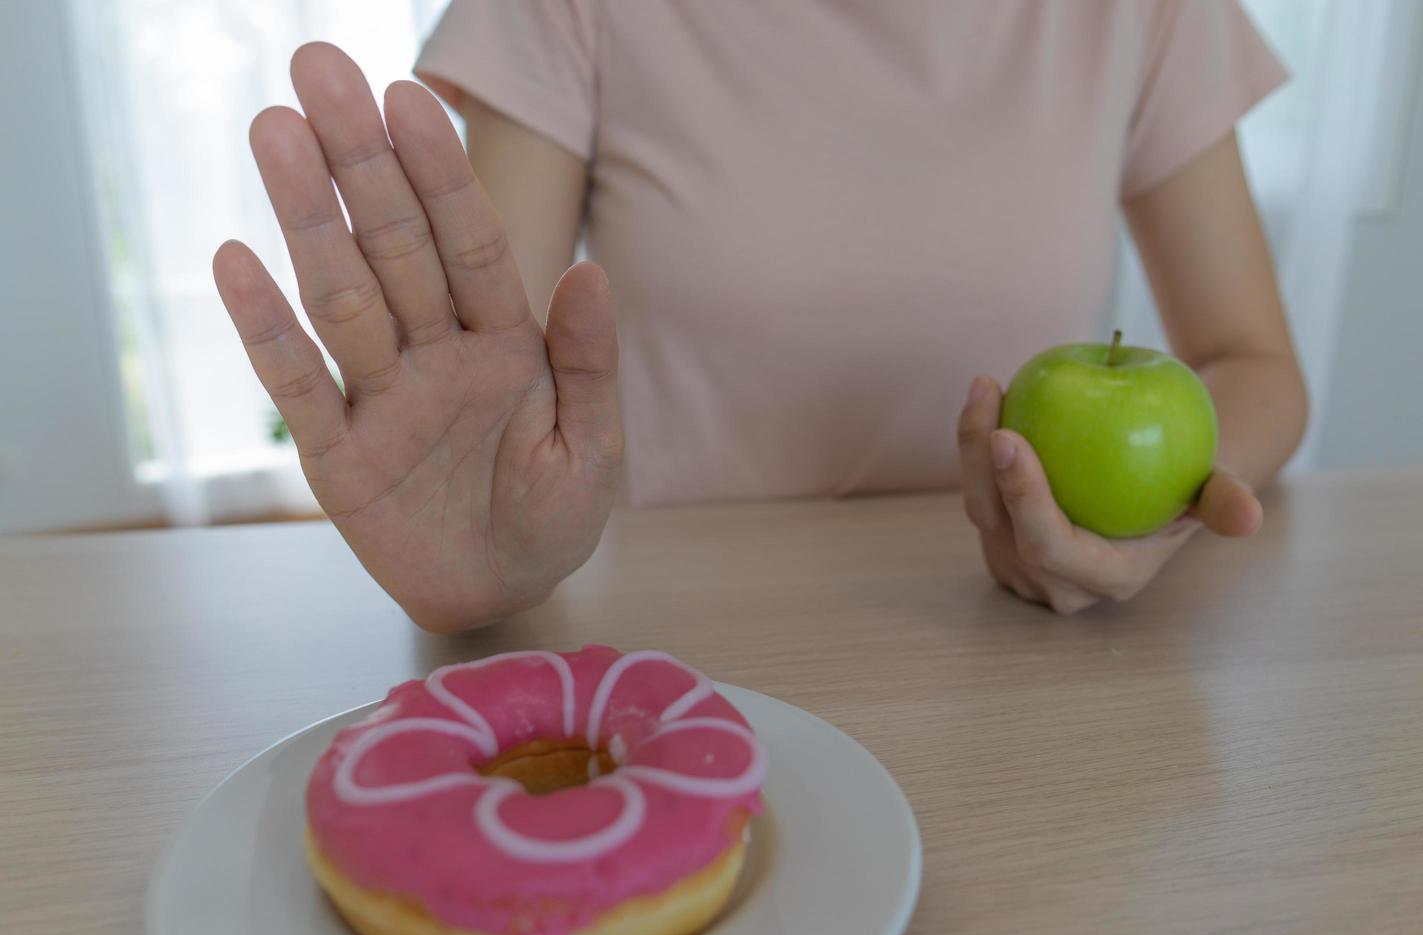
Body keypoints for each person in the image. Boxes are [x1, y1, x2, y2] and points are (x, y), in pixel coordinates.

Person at [212, 1, 1307, 631]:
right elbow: (479, 381)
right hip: (678, 661)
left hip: (1024, 668)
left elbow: (1251, 364)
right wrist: (485, 545)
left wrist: (1156, 517)